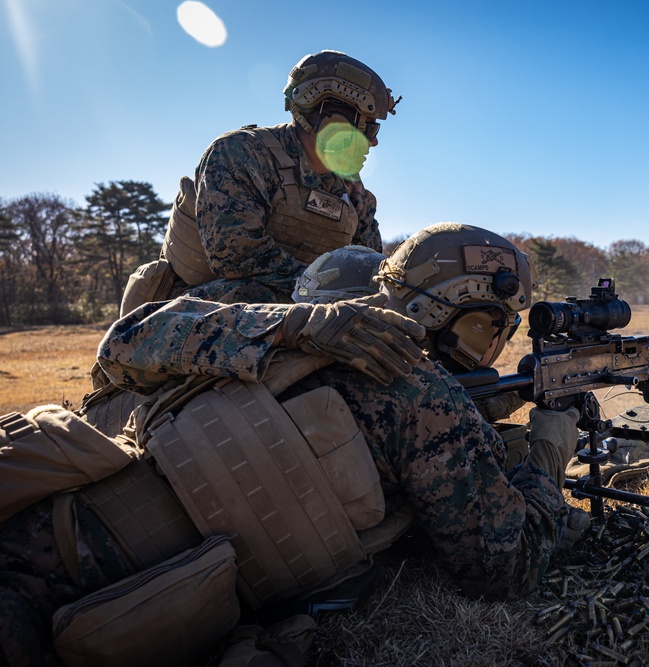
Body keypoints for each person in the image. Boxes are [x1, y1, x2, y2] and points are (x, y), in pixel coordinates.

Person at [0, 224, 583, 666]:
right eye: (486, 327)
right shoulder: (425, 395)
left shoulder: (300, 330)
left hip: (47, 522)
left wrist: (293, 325)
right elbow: (503, 569)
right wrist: (549, 453)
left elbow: (124, 343)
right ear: (436, 309)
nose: (492, 347)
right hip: (114, 603)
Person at [119, 50, 399, 312]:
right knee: (256, 294)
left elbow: (371, 270)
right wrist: (325, 293)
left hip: (302, 308)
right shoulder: (241, 153)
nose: (374, 142)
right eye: (369, 127)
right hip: (201, 310)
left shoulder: (351, 192)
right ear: (331, 120)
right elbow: (235, 256)